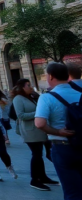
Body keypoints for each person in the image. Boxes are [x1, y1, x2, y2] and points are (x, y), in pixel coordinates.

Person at [35, 62, 82, 198]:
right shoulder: (79, 94)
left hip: (63, 146)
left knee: (72, 190)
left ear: (50, 76)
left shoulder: (47, 97)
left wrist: (58, 132)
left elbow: (39, 123)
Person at [11, 78, 58, 191]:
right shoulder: (18, 99)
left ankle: (43, 177)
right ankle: (34, 179)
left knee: (39, 154)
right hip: (30, 131)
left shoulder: (31, 97)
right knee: (36, 154)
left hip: (39, 129)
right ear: (22, 87)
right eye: (28, 85)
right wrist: (39, 112)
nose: (31, 87)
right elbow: (21, 116)